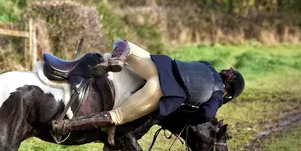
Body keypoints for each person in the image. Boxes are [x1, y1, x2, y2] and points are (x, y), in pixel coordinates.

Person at [52, 39, 245, 135]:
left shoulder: (208, 66)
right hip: (163, 89)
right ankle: (67, 126)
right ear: (229, 91)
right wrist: (191, 117)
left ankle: (118, 58)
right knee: (118, 116)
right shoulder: (219, 94)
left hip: (160, 66)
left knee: (124, 43)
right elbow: (206, 115)